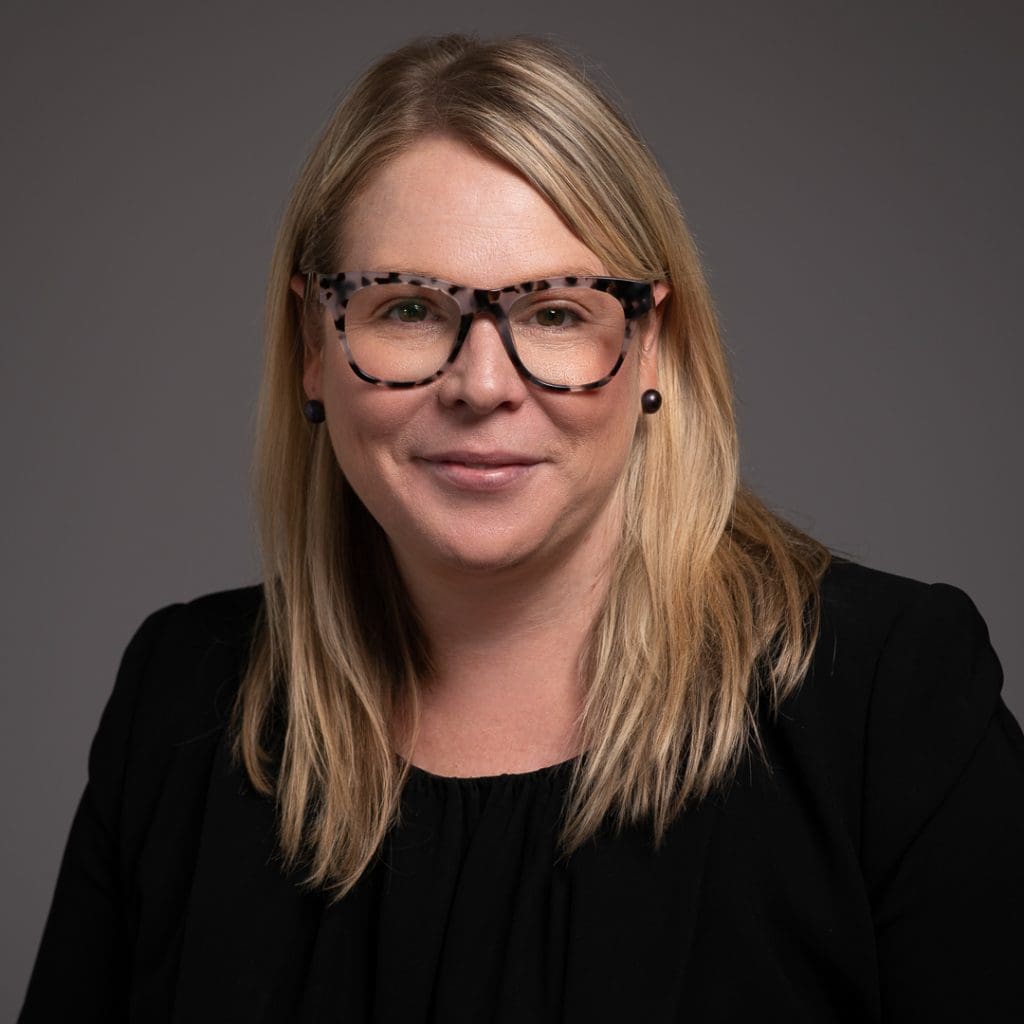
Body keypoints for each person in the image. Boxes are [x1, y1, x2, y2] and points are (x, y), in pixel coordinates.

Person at [20, 33, 1024, 1023]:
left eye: (553, 311)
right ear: (312, 349)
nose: (482, 385)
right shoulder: (182, 699)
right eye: (407, 307)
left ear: (653, 348)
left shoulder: (886, 702)